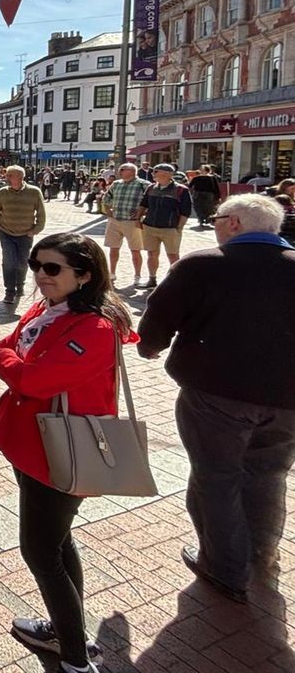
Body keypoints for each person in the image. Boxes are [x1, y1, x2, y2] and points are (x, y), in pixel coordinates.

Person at [138, 194, 295, 602]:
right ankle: (260, 554)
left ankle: (225, 566)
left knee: (217, 476)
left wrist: (150, 346)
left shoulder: (203, 264)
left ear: (236, 224)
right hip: (287, 400)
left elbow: (158, 318)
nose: (214, 224)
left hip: (217, 394)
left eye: (218, 218)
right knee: (267, 474)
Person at [0, 233, 132, 673]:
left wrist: (8, 361)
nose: (39, 275)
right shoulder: (44, 308)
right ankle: (65, 630)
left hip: (62, 448)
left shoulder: (95, 327)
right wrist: (11, 359)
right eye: (36, 264)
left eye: (52, 268)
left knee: (40, 551)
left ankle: (74, 655)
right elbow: (8, 347)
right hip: (32, 442)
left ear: (85, 275)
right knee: (56, 543)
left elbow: (30, 378)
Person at [0, 165, 47, 305]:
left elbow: (41, 214)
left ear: (20, 178)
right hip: (6, 233)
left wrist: (35, 230)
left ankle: (20, 285)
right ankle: (9, 291)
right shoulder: (2, 193)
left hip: (25, 234)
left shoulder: (34, 192)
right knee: (9, 261)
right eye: (7, 175)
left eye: (10, 175)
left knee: (22, 262)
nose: (6, 178)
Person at [134, 163, 192, 289]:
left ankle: (175, 281)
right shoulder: (151, 188)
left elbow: (185, 211)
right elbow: (144, 204)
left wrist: (179, 227)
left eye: (155, 171)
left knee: (173, 255)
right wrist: (137, 218)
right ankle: (152, 279)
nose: (152, 174)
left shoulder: (181, 190)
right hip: (150, 226)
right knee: (151, 254)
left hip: (170, 228)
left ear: (166, 174)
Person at [101, 163, 148, 287]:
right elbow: (106, 197)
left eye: (123, 170)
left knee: (135, 250)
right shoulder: (116, 184)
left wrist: (140, 213)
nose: (120, 171)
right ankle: (112, 273)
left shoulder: (143, 184)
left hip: (132, 222)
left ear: (132, 172)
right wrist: (108, 211)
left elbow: (150, 202)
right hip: (115, 220)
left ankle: (137, 276)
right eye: (120, 169)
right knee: (113, 248)